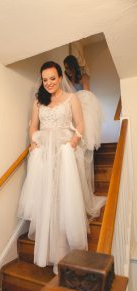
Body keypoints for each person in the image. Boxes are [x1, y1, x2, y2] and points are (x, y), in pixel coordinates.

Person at [18, 61, 88, 274]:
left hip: (63, 152)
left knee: (63, 199)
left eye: (52, 78)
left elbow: (81, 124)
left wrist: (73, 143)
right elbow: (33, 126)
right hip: (44, 156)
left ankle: (65, 255)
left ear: (60, 77)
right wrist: (33, 142)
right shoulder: (39, 101)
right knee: (46, 199)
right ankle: (47, 253)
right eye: (45, 79)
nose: (48, 83)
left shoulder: (71, 98)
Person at [63, 55, 106, 220]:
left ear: (73, 65)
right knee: (77, 160)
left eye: (67, 67)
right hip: (75, 115)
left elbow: (87, 94)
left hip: (84, 113)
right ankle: (79, 198)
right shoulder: (66, 80)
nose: (66, 70)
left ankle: (87, 196)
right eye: (65, 68)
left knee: (86, 158)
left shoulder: (84, 77)